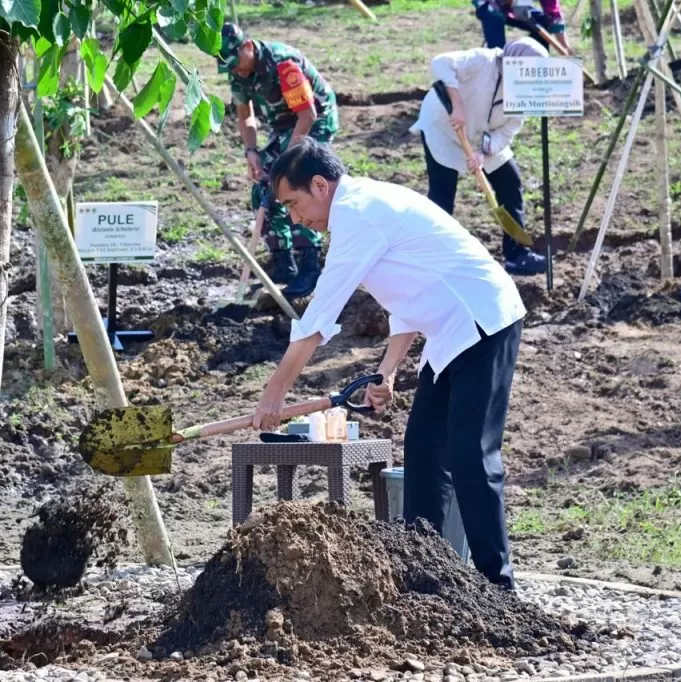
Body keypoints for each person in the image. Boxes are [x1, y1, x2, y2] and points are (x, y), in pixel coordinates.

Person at [252, 138, 525, 589]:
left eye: (293, 204)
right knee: (424, 451)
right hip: (449, 330)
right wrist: (387, 371)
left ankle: (498, 586)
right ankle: (426, 577)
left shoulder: (357, 213)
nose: (296, 219)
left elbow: (318, 318)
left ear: (319, 185)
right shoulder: (362, 209)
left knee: (471, 453)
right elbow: (407, 300)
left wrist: (274, 393)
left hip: (483, 319)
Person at [214, 22, 339, 298]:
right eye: (229, 67)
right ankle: (284, 264)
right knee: (264, 187)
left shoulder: (284, 65)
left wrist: (287, 164)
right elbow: (245, 115)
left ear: (248, 46)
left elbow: (307, 116)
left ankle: (310, 264)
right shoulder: (238, 70)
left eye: (236, 63)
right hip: (284, 125)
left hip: (315, 120)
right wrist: (251, 152)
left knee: (297, 183)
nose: (235, 71)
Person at [409, 37, 549, 276]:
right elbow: (441, 63)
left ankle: (517, 255)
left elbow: (507, 130)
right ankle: (431, 257)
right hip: (444, 129)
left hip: (483, 139)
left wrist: (484, 152)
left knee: (510, 183)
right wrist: (457, 104)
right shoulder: (483, 61)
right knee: (443, 194)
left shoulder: (525, 90)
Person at [474, 0, 570, 50]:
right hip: (491, 5)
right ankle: (498, 68)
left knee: (543, 20)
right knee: (494, 16)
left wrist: (564, 45)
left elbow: (552, 11)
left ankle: (535, 62)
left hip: (518, 7)